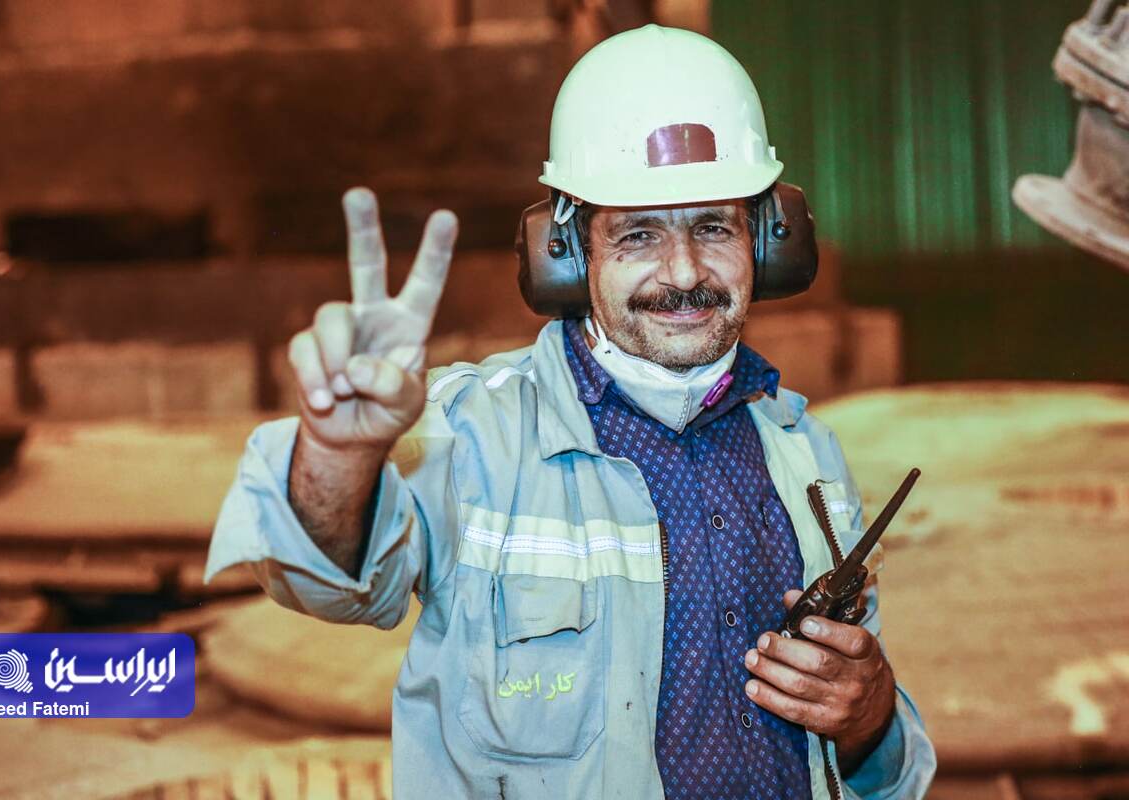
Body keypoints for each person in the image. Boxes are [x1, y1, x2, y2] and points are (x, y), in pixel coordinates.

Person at [205, 24, 937, 800]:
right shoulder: (471, 436)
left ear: (767, 240)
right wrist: (339, 454)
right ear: (566, 252)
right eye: (638, 234)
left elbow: (876, 765)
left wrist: (869, 718)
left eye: (713, 226)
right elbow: (324, 585)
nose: (684, 272)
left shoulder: (805, 453)